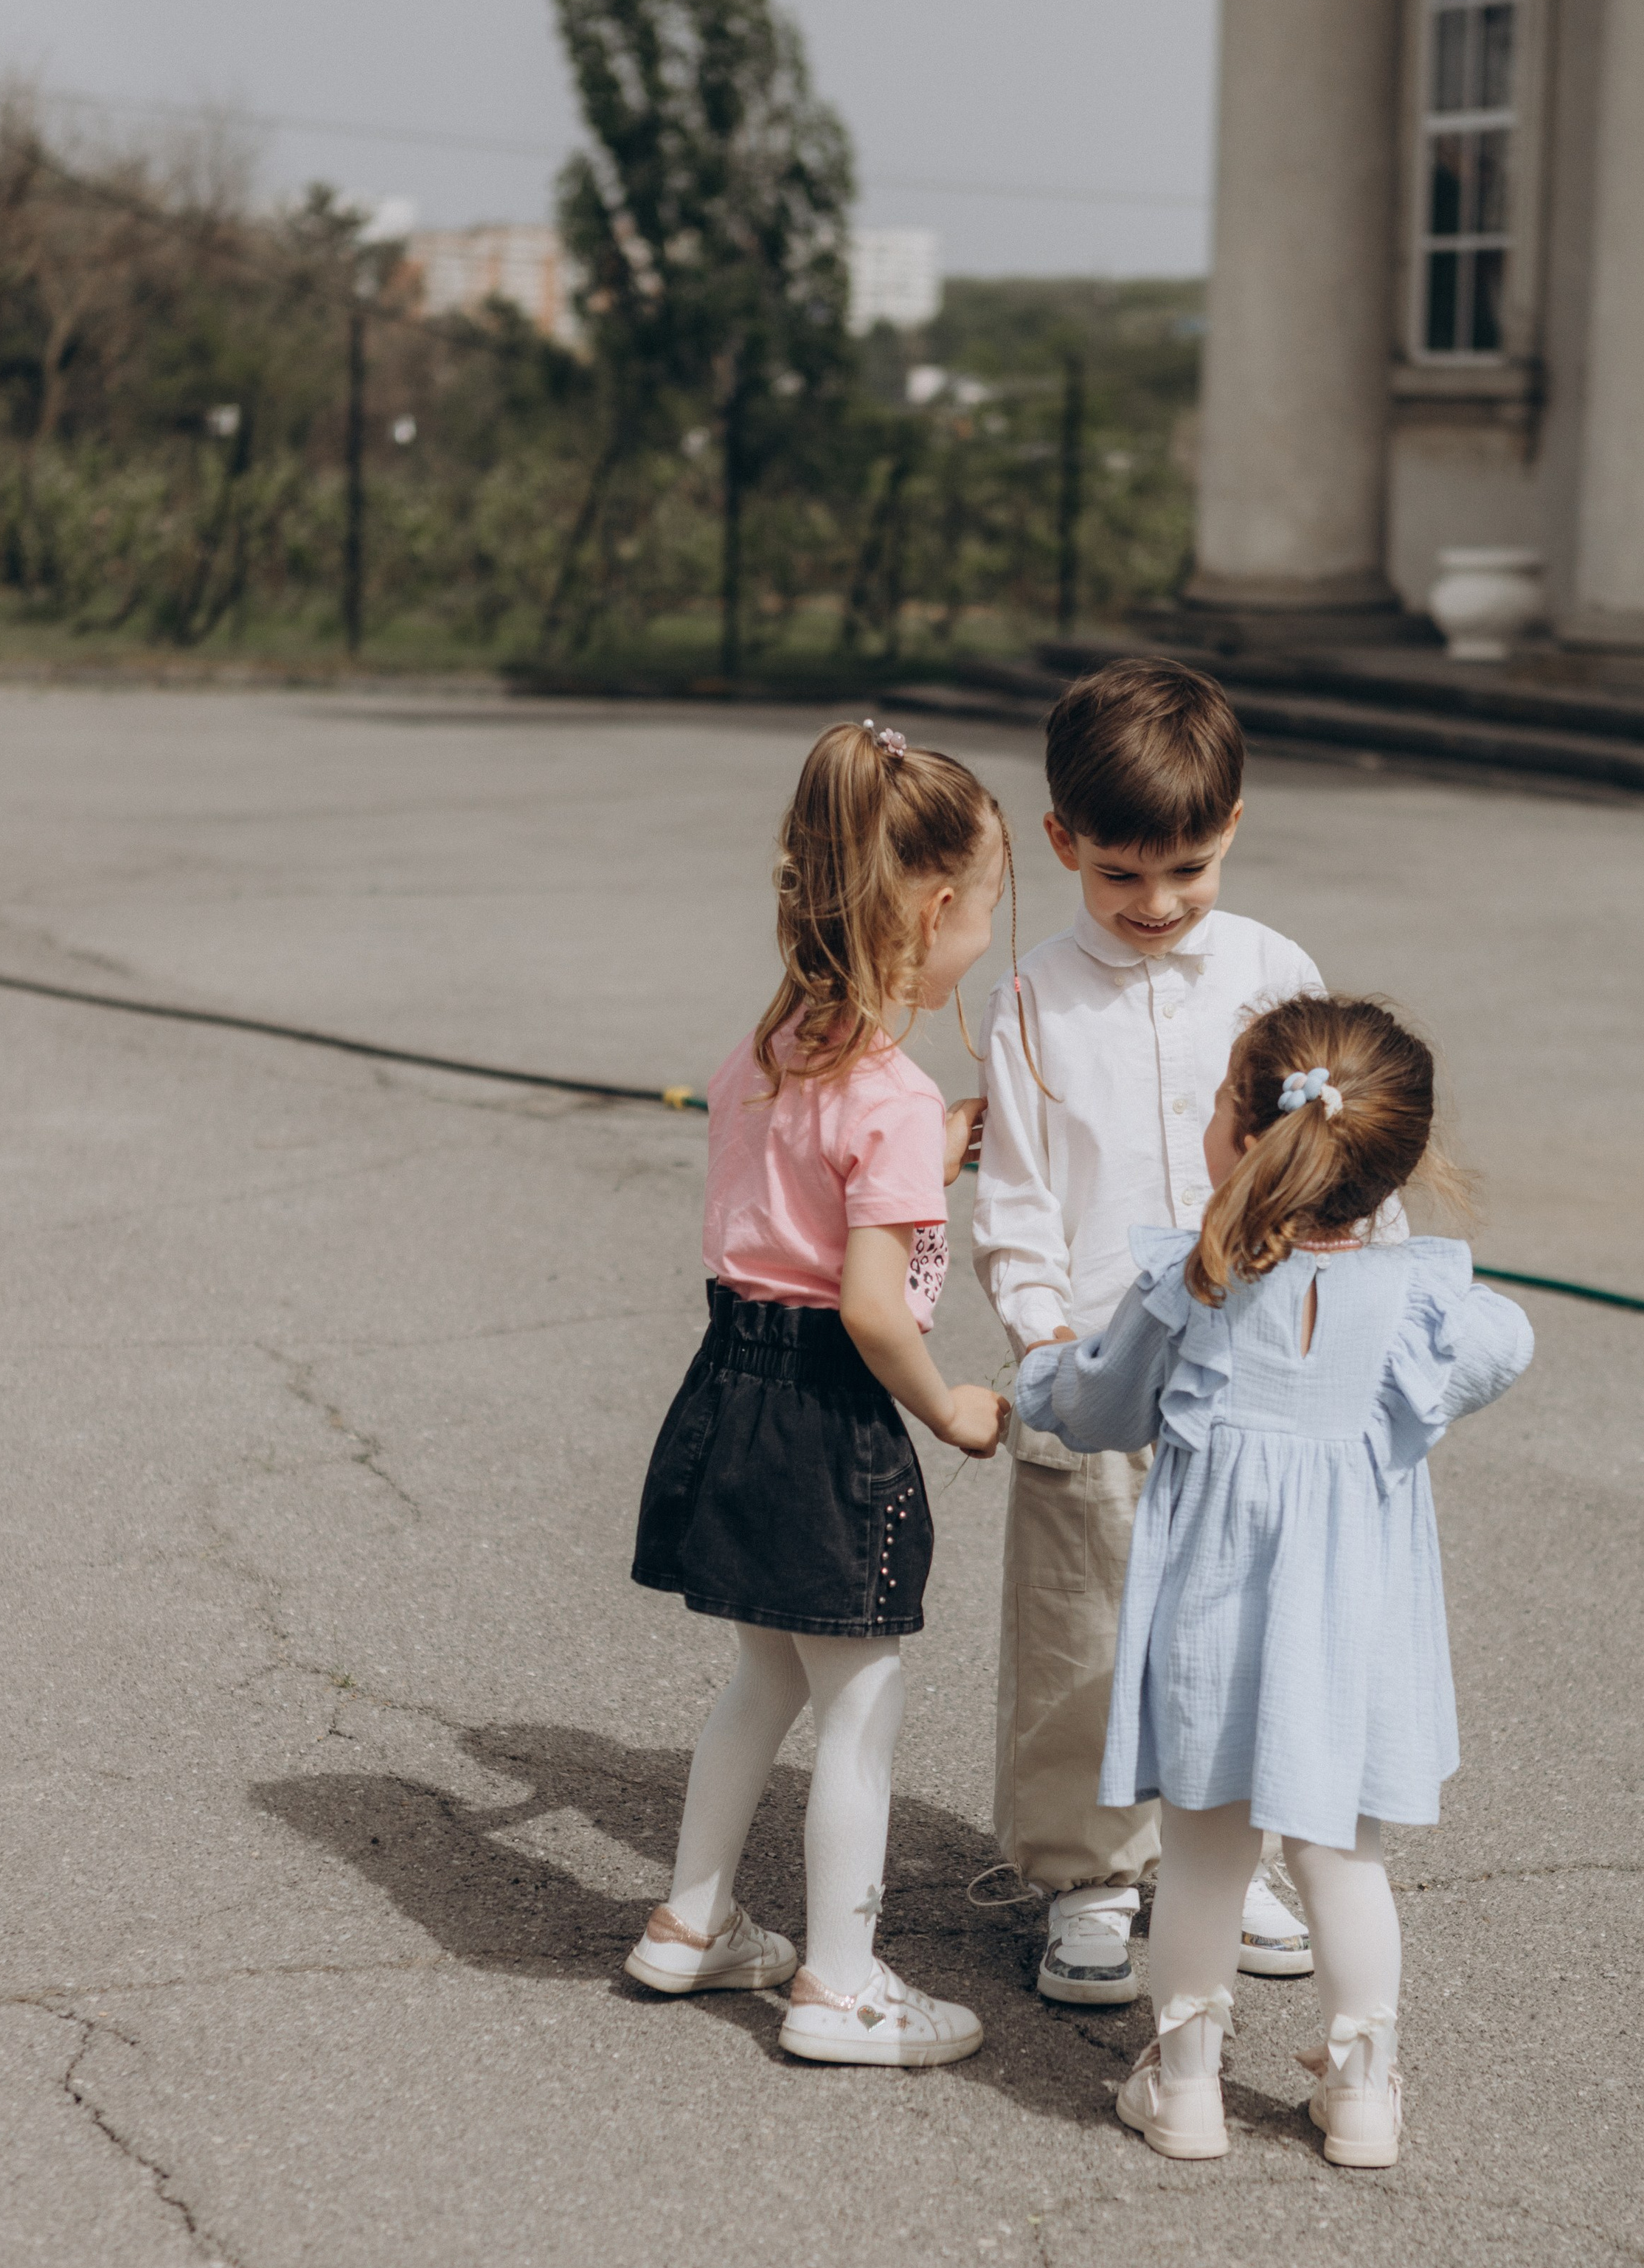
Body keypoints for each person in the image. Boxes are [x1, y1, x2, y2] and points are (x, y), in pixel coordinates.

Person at [1016, 993, 1534, 2164]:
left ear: (1250, 1139)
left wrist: (1038, 1378)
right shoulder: (1419, 1298)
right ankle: (1360, 2097)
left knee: (1202, 1857)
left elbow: (1093, 1406)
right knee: (1345, 1863)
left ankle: (1188, 2088)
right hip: (1351, 1636)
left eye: (1216, 1107)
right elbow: (1507, 1342)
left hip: (1213, 1629)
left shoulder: (1191, 1288)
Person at [628, 720, 1010, 2067]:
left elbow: (812, 1187)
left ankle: (690, 1923)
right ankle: (842, 1985)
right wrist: (951, 1403)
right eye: (991, 910)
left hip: (731, 1381)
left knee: (763, 1675)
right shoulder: (892, 1099)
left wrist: (931, 1146)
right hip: (830, 1409)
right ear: (940, 906)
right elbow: (865, 1301)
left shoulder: (776, 1042)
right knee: (860, 1702)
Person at [973, 654, 1337, 2008]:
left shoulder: (1274, 969)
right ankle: (1088, 1874)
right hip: (1098, 1361)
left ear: (1232, 827)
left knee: (1243, 1615)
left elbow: (1334, 1153)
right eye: (1120, 876)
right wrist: (1039, 1336)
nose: (1155, 905)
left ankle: (1227, 1860)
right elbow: (1013, 1188)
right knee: (1084, 1619)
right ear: (1062, 841)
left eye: (1185, 871)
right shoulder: (1033, 996)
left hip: (1257, 1360)